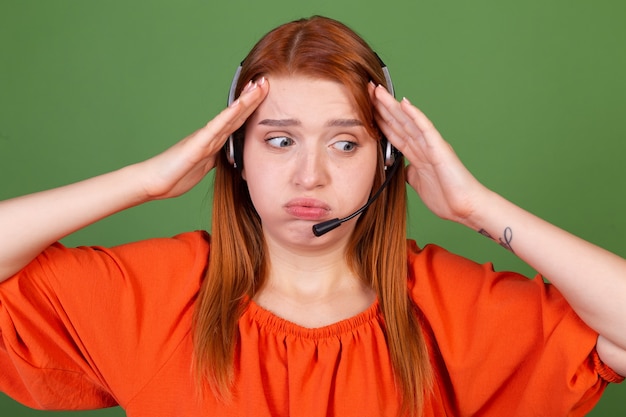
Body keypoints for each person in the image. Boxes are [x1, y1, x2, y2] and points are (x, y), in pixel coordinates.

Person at [0, 15, 624, 417]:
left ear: (385, 160)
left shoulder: (446, 307)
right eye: (279, 139)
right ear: (235, 152)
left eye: (345, 143)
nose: (310, 174)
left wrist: (476, 205)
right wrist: (147, 181)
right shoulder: (150, 295)